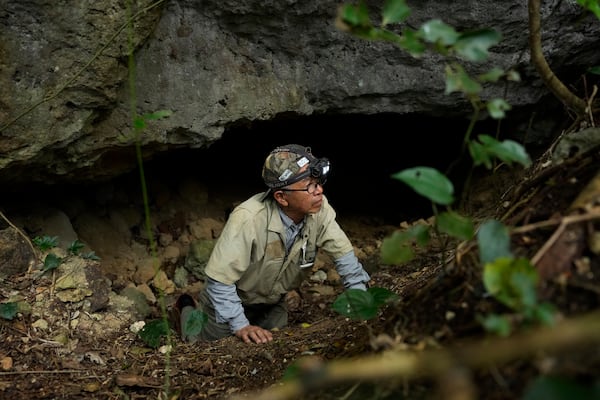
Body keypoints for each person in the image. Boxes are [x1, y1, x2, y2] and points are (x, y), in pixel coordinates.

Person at [179, 144, 371, 344]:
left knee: (279, 346)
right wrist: (241, 325)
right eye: (309, 186)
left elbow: (345, 258)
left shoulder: (319, 209)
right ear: (281, 197)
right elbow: (220, 281)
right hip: (228, 298)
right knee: (202, 343)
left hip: (272, 302)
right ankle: (186, 307)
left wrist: (361, 302)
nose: (319, 191)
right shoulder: (249, 218)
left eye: (319, 182)